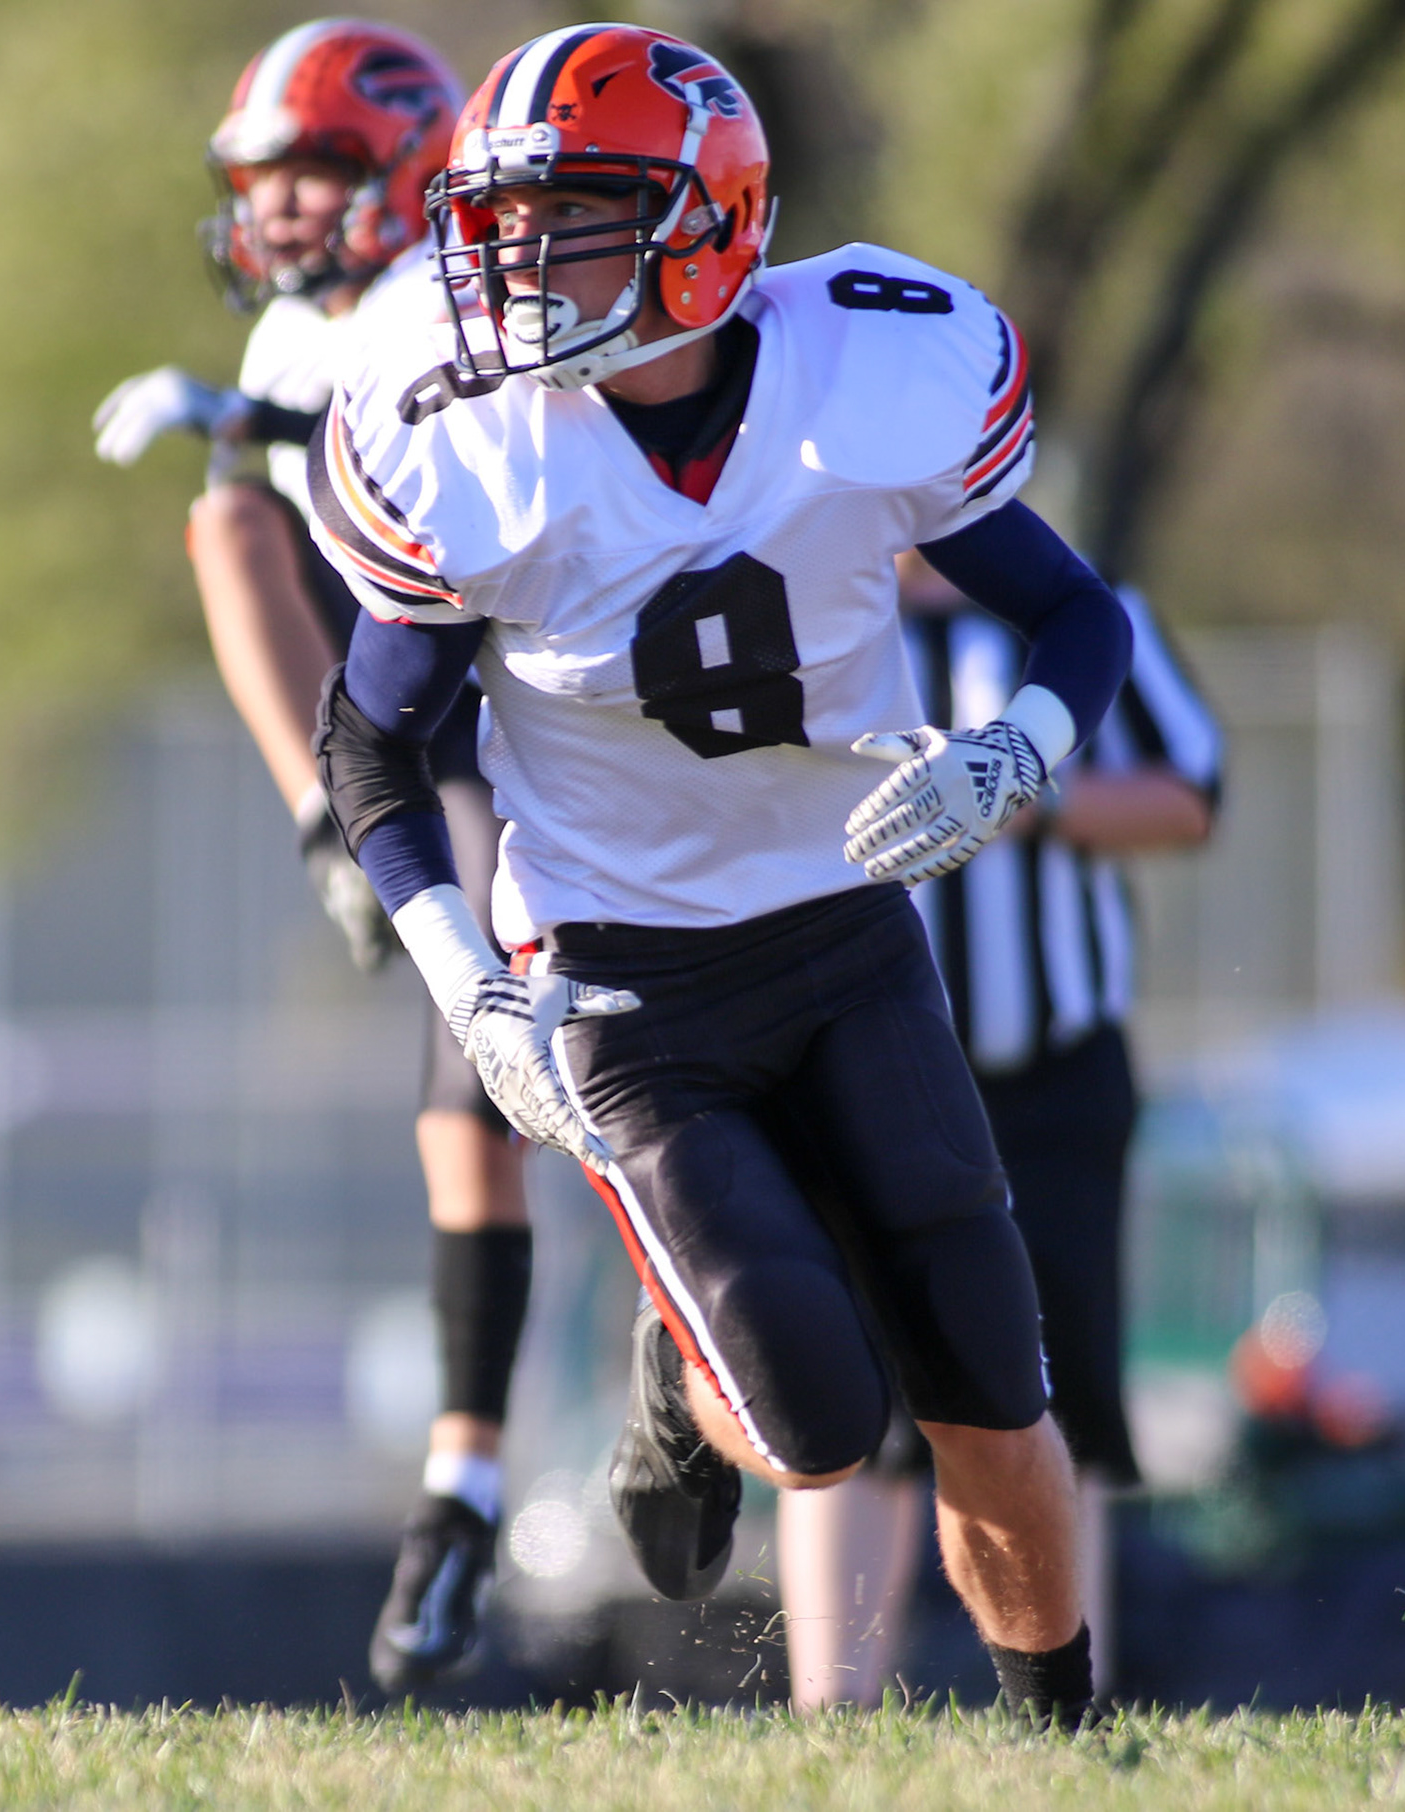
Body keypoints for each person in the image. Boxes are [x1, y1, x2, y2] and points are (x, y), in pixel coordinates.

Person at [307, 22, 1133, 1722]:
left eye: (576, 220)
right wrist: (471, 984)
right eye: (509, 222)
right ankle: (686, 1370)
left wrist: (1016, 752)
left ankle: (1069, 1741)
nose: (522, 264)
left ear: (708, 225)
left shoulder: (863, 379)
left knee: (990, 1380)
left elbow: (1078, 614)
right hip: (626, 966)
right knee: (818, 1424)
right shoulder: (478, 441)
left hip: (848, 926)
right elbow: (369, 746)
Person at [89, 20, 532, 1694]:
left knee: (536, 1107)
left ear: (404, 174)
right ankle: (465, 1480)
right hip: (414, 754)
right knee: (465, 1115)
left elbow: (414, 470)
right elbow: (280, 486)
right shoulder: (300, 329)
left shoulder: (455, 301)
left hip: (539, 734)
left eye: (314, 174)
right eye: (261, 182)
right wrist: (251, 422)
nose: (277, 211)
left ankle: (502, 1465)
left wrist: (260, 418)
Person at [779, 563, 1224, 1709]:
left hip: (1049, 1076)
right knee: (847, 1401)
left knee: (1055, 1388)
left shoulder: (1081, 616)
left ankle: (1069, 1707)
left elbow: (1192, 794)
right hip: (854, 1065)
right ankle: (833, 1716)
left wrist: (1025, 798)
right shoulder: (806, 600)